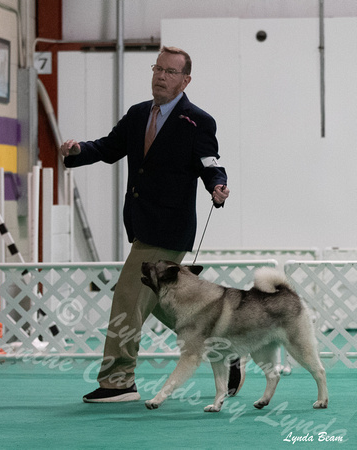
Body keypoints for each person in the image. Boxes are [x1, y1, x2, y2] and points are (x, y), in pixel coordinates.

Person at [60, 46, 244, 403]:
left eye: (170, 72)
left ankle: (118, 381)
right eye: (157, 68)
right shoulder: (138, 113)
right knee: (161, 302)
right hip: (141, 224)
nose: (160, 76)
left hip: (169, 227)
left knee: (128, 298)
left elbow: (209, 162)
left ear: (185, 79)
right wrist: (78, 150)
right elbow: (110, 147)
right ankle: (223, 347)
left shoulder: (197, 121)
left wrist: (217, 185)